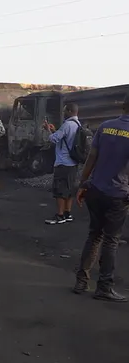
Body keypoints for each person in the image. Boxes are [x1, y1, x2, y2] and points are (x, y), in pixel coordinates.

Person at [72, 94, 129, 302]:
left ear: (123, 105)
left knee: (93, 235)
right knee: (111, 240)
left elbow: (91, 158)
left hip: (95, 191)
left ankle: (81, 281)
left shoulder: (105, 127)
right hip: (118, 195)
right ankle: (104, 286)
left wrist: (83, 184)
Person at [44, 103, 80, 225]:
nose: (63, 113)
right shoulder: (77, 124)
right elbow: (65, 139)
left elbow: (54, 139)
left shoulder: (67, 124)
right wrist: (55, 130)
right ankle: (67, 213)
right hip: (73, 163)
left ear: (70, 111)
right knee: (69, 189)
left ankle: (59, 216)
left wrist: (48, 130)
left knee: (59, 190)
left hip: (63, 163)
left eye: (65, 111)